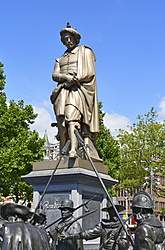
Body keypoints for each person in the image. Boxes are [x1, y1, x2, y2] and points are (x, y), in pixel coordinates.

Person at [51, 23, 100, 160]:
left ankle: (73, 150)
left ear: (75, 38)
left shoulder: (84, 52)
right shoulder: (59, 59)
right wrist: (65, 77)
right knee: (62, 122)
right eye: (65, 40)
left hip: (77, 90)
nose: (68, 41)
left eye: (70, 38)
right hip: (62, 91)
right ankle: (63, 151)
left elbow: (90, 72)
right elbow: (55, 75)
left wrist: (75, 79)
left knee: (71, 118)